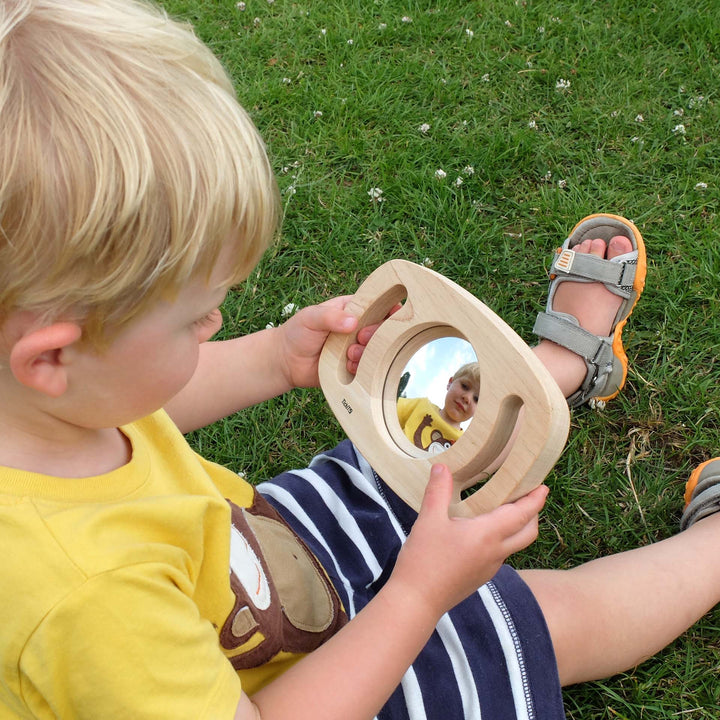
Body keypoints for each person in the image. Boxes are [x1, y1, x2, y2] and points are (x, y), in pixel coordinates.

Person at [1, 2, 719, 720]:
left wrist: (275, 359)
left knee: (411, 453)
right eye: (196, 319)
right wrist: (417, 596)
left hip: (255, 562)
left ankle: (548, 377)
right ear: (52, 357)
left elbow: (138, 409)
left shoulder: (46, 402)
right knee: (547, 615)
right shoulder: (88, 603)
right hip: (307, 688)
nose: (216, 323)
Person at [396, 362, 480, 454]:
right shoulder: (420, 405)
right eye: (464, 386)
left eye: (476, 399)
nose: (467, 398)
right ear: (450, 383)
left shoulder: (464, 446)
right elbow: (384, 411)